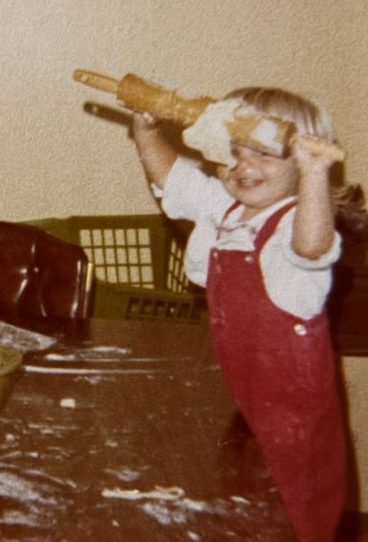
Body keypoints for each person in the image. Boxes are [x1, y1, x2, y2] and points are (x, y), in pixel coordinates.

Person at [131, 86, 367, 542]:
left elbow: (313, 247)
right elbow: (174, 181)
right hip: (243, 404)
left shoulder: (296, 224)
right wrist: (146, 130)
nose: (242, 166)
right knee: (236, 514)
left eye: (262, 153)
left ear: (300, 162)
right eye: (232, 151)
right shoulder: (228, 210)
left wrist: (315, 174)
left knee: (290, 523)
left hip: (293, 428)